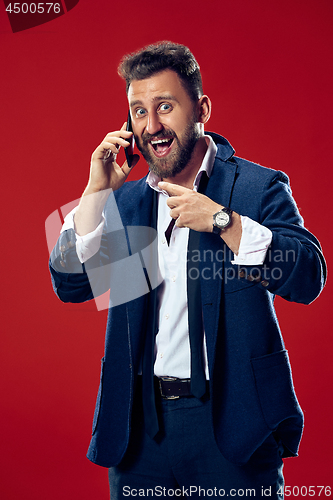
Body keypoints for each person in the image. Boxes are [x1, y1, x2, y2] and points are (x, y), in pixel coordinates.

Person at [49, 42, 326, 499]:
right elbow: (71, 285)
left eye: (165, 106)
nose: (152, 125)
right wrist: (95, 192)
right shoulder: (128, 202)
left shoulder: (256, 187)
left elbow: (307, 276)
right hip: (140, 435)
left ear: (202, 108)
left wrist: (224, 222)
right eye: (138, 111)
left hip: (232, 425)